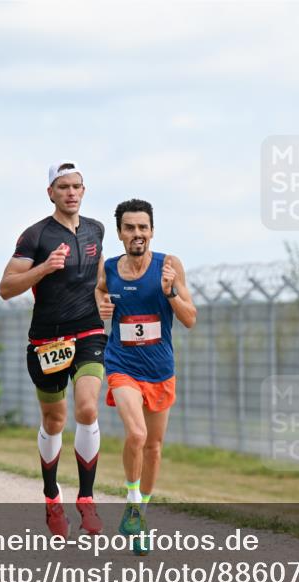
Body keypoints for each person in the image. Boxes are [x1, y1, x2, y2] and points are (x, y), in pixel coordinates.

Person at [0, 162, 109, 537]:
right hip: (48, 339)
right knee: (55, 421)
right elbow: (7, 287)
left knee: (88, 408)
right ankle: (51, 496)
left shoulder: (96, 229)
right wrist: (44, 269)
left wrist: (105, 298)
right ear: (51, 192)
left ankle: (87, 500)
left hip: (90, 332)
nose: (71, 193)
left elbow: (96, 278)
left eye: (77, 186)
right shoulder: (35, 235)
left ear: (84, 189)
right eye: (63, 187)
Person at [97, 198, 196, 555]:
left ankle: (140, 514)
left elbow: (189, 318)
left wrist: (170, 291)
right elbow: (97, 296)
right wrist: (100, 305)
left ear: (151, 230)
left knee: (153, 447)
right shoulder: (107, 268)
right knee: (136, 434)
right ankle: (133, 499)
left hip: (160, 369)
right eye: (129, 227)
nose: (137, 233)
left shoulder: (169, 266)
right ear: (120, 233)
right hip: (122, 365)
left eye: (142, 227)